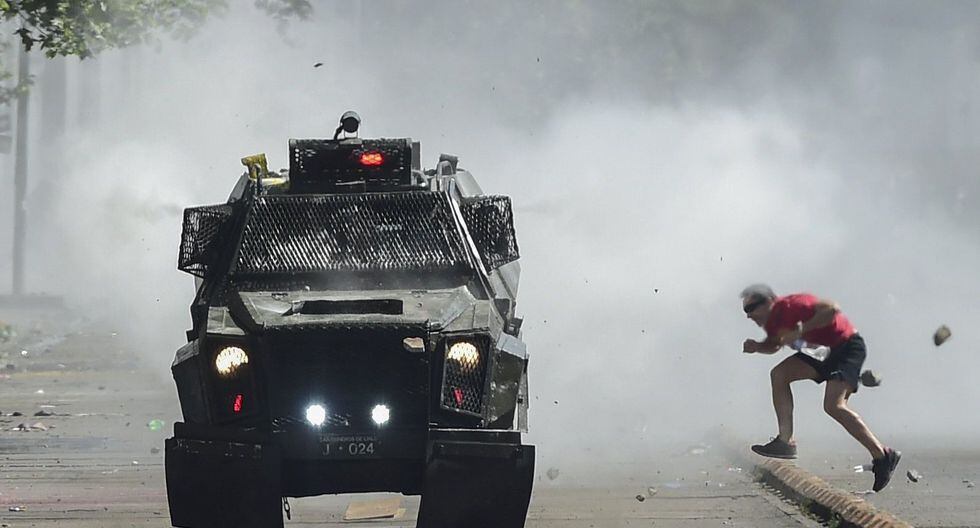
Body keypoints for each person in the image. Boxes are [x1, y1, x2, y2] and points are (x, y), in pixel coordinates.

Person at [739, 283, 901, 492]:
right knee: (779, 375)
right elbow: (774, 344)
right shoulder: (771, 322)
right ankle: (785, 441)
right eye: (745, 310)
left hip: (846, 347)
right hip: (821, 354)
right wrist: (757, 347)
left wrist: (801, 329)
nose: (749, 315)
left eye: (751, 309)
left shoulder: (793, 305)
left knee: (834, 406)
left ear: (769, 301)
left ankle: (883, 455)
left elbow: (832, 308)